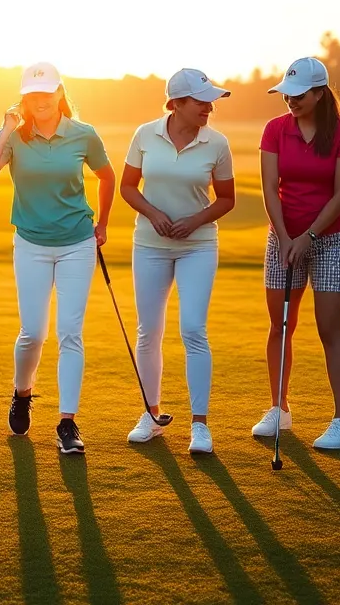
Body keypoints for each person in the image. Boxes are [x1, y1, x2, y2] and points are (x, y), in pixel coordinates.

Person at [0, 62, 115, 455]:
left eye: (47, 93)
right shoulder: (15, 137)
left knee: (70, 332)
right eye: (32, 94)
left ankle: (67, 423)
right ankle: (22, 392)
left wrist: (102, 223)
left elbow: (107, 176)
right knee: (33, 332)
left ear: (60, 93)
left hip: (77, 243)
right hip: (31, 245)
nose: (40, 101)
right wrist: (4, 129)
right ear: (23, 96)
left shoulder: (83, 135)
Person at [120, 69, 236, 454]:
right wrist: (153, 214)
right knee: (148, 331)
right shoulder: (144, 135)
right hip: (150, 245)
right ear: (176, 103)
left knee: (192, 329)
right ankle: (151, 416)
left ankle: (199, 426)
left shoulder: (216, 143)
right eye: (201, 101)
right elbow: (127, 187)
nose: (209, 107)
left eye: (210, 101)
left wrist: (194, 221)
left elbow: (225, 199)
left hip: (198, 245)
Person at [253, 57, 340, 450]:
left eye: (298, 95)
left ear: (320, 93)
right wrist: (285, 237)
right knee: (280, 325)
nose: (290, 101)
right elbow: (270, 188)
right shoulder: (275, 130)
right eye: (286, 95)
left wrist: (308, 237)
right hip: (283, 237)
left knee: (329, 328)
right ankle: (278, 407)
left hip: (331, 239)